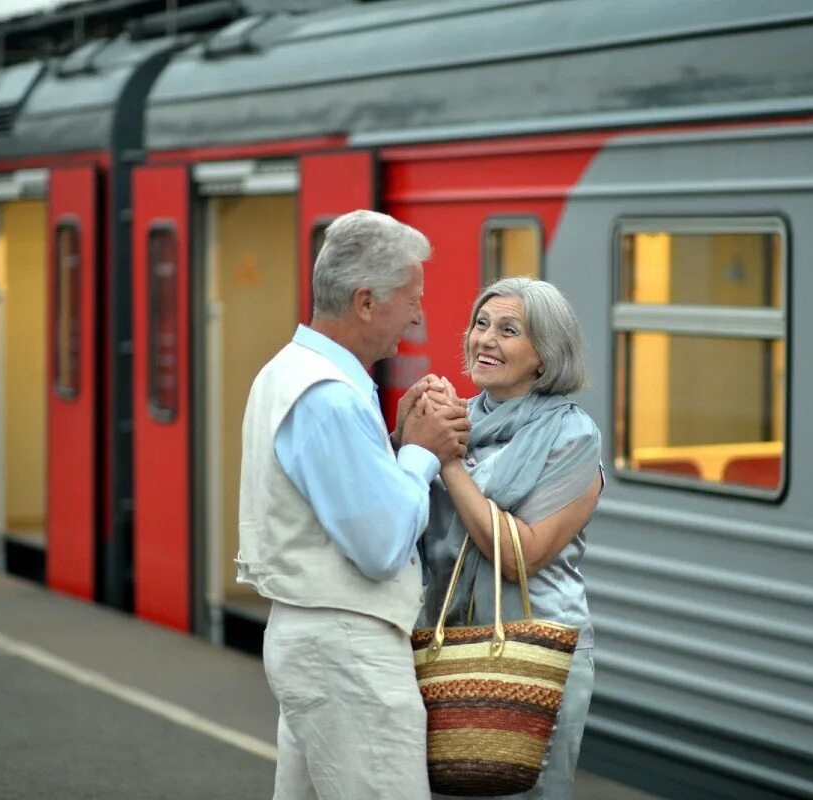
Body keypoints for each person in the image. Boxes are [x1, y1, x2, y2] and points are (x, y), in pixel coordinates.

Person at [234, 210, 470, 800]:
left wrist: (392, 443)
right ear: (366, 302)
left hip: (316, 639)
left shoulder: (290, 373)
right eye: (411, 299)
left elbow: (337, 497)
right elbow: (381, 545)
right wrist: (421, 452)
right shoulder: (330, 398)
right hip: (348, 649)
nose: (418, 316)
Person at [407, 277, 603, 800]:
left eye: (509, 330)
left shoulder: (572, 434)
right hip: (448, 643)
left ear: (544, 356)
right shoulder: (455, 419)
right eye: (481, 323)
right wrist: (408, 431)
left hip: (536, 653)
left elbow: (523, 553)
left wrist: (447, 462)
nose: (485, 339)